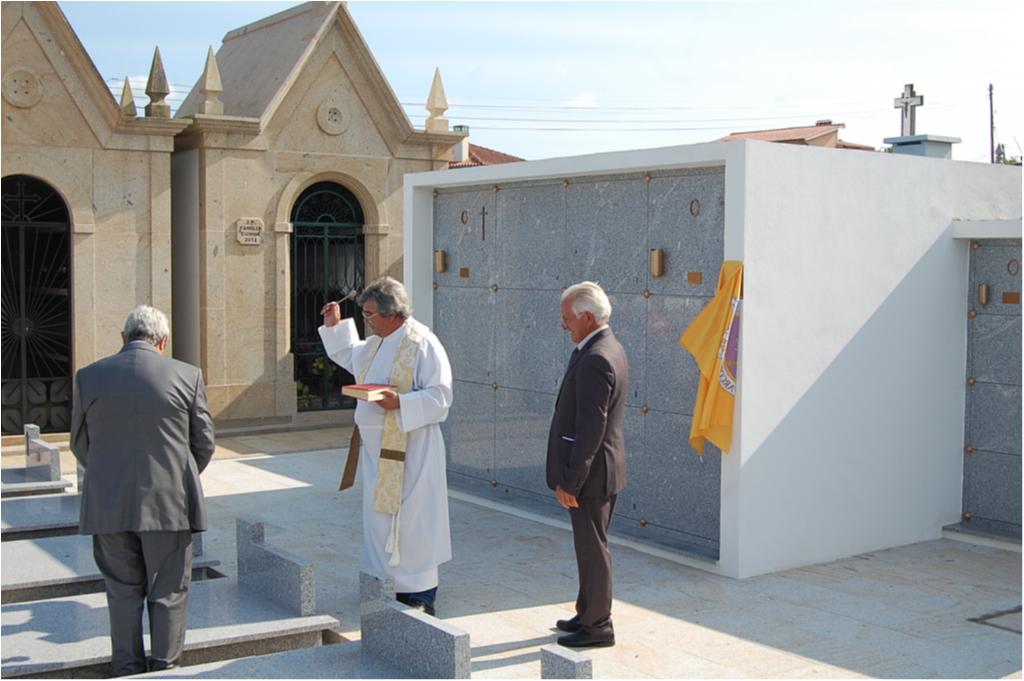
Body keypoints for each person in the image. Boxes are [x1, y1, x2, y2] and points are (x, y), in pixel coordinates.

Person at [70, 305, 215, 676]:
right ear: (163, 341)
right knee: (169, 590)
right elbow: (204, 443)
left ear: (124, 337)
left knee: (121, 591)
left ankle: (126, 667)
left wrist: (110, 476)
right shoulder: (187, 375)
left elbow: (80, 444)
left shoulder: (89, 376)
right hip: (169, 505)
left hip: (109, 504)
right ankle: (165, 667)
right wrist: (174, 478)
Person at [319, 276, 453, 616]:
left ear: (393, 313)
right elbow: (350, 355)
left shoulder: (422, 343)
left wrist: (401, 403)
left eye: (370, 314)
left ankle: (420, 593)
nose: (366, 320)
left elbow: (441, 397)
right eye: (363, 314)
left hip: (413, 450)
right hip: (376, 451)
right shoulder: (377, 343)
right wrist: (335, 327)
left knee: (412, 519)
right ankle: (384, 584)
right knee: (380, 518)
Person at [546, 281, 628, 648]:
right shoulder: (601, 347)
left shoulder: (597, 357)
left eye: (567, 318)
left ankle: (598, 627)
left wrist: (571, 481)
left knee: (594, 551)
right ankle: (587, 613)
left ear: (588, 317)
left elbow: (591, 428)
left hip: (592, 475)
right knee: (588, 547)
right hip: (598, 470)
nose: (564, 325)